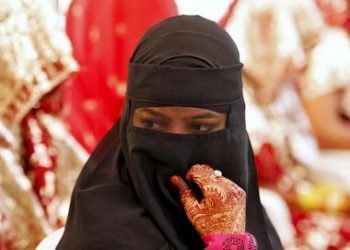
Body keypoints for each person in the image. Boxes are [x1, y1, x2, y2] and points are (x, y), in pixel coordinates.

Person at [56, 15, 282, 249]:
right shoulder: (103, 233)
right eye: (153, 125)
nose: (175, 147)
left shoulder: (244, 214)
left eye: (201, 128)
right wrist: (228, 243)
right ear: (129, 120)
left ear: (233, 127)